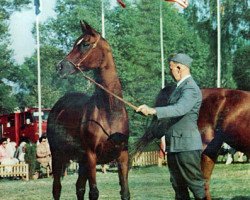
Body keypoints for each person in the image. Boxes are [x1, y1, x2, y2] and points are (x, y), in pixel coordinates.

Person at [136, 53, 206, 200]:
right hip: (174, 144)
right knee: (178, 185)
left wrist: (153, 110)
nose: (170, 72)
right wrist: (150, 113)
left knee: (195, 185)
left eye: (171, 68)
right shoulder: (178, 88)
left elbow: (179, 109)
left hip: (186, 146)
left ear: (179, 68)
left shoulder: (190, 88)